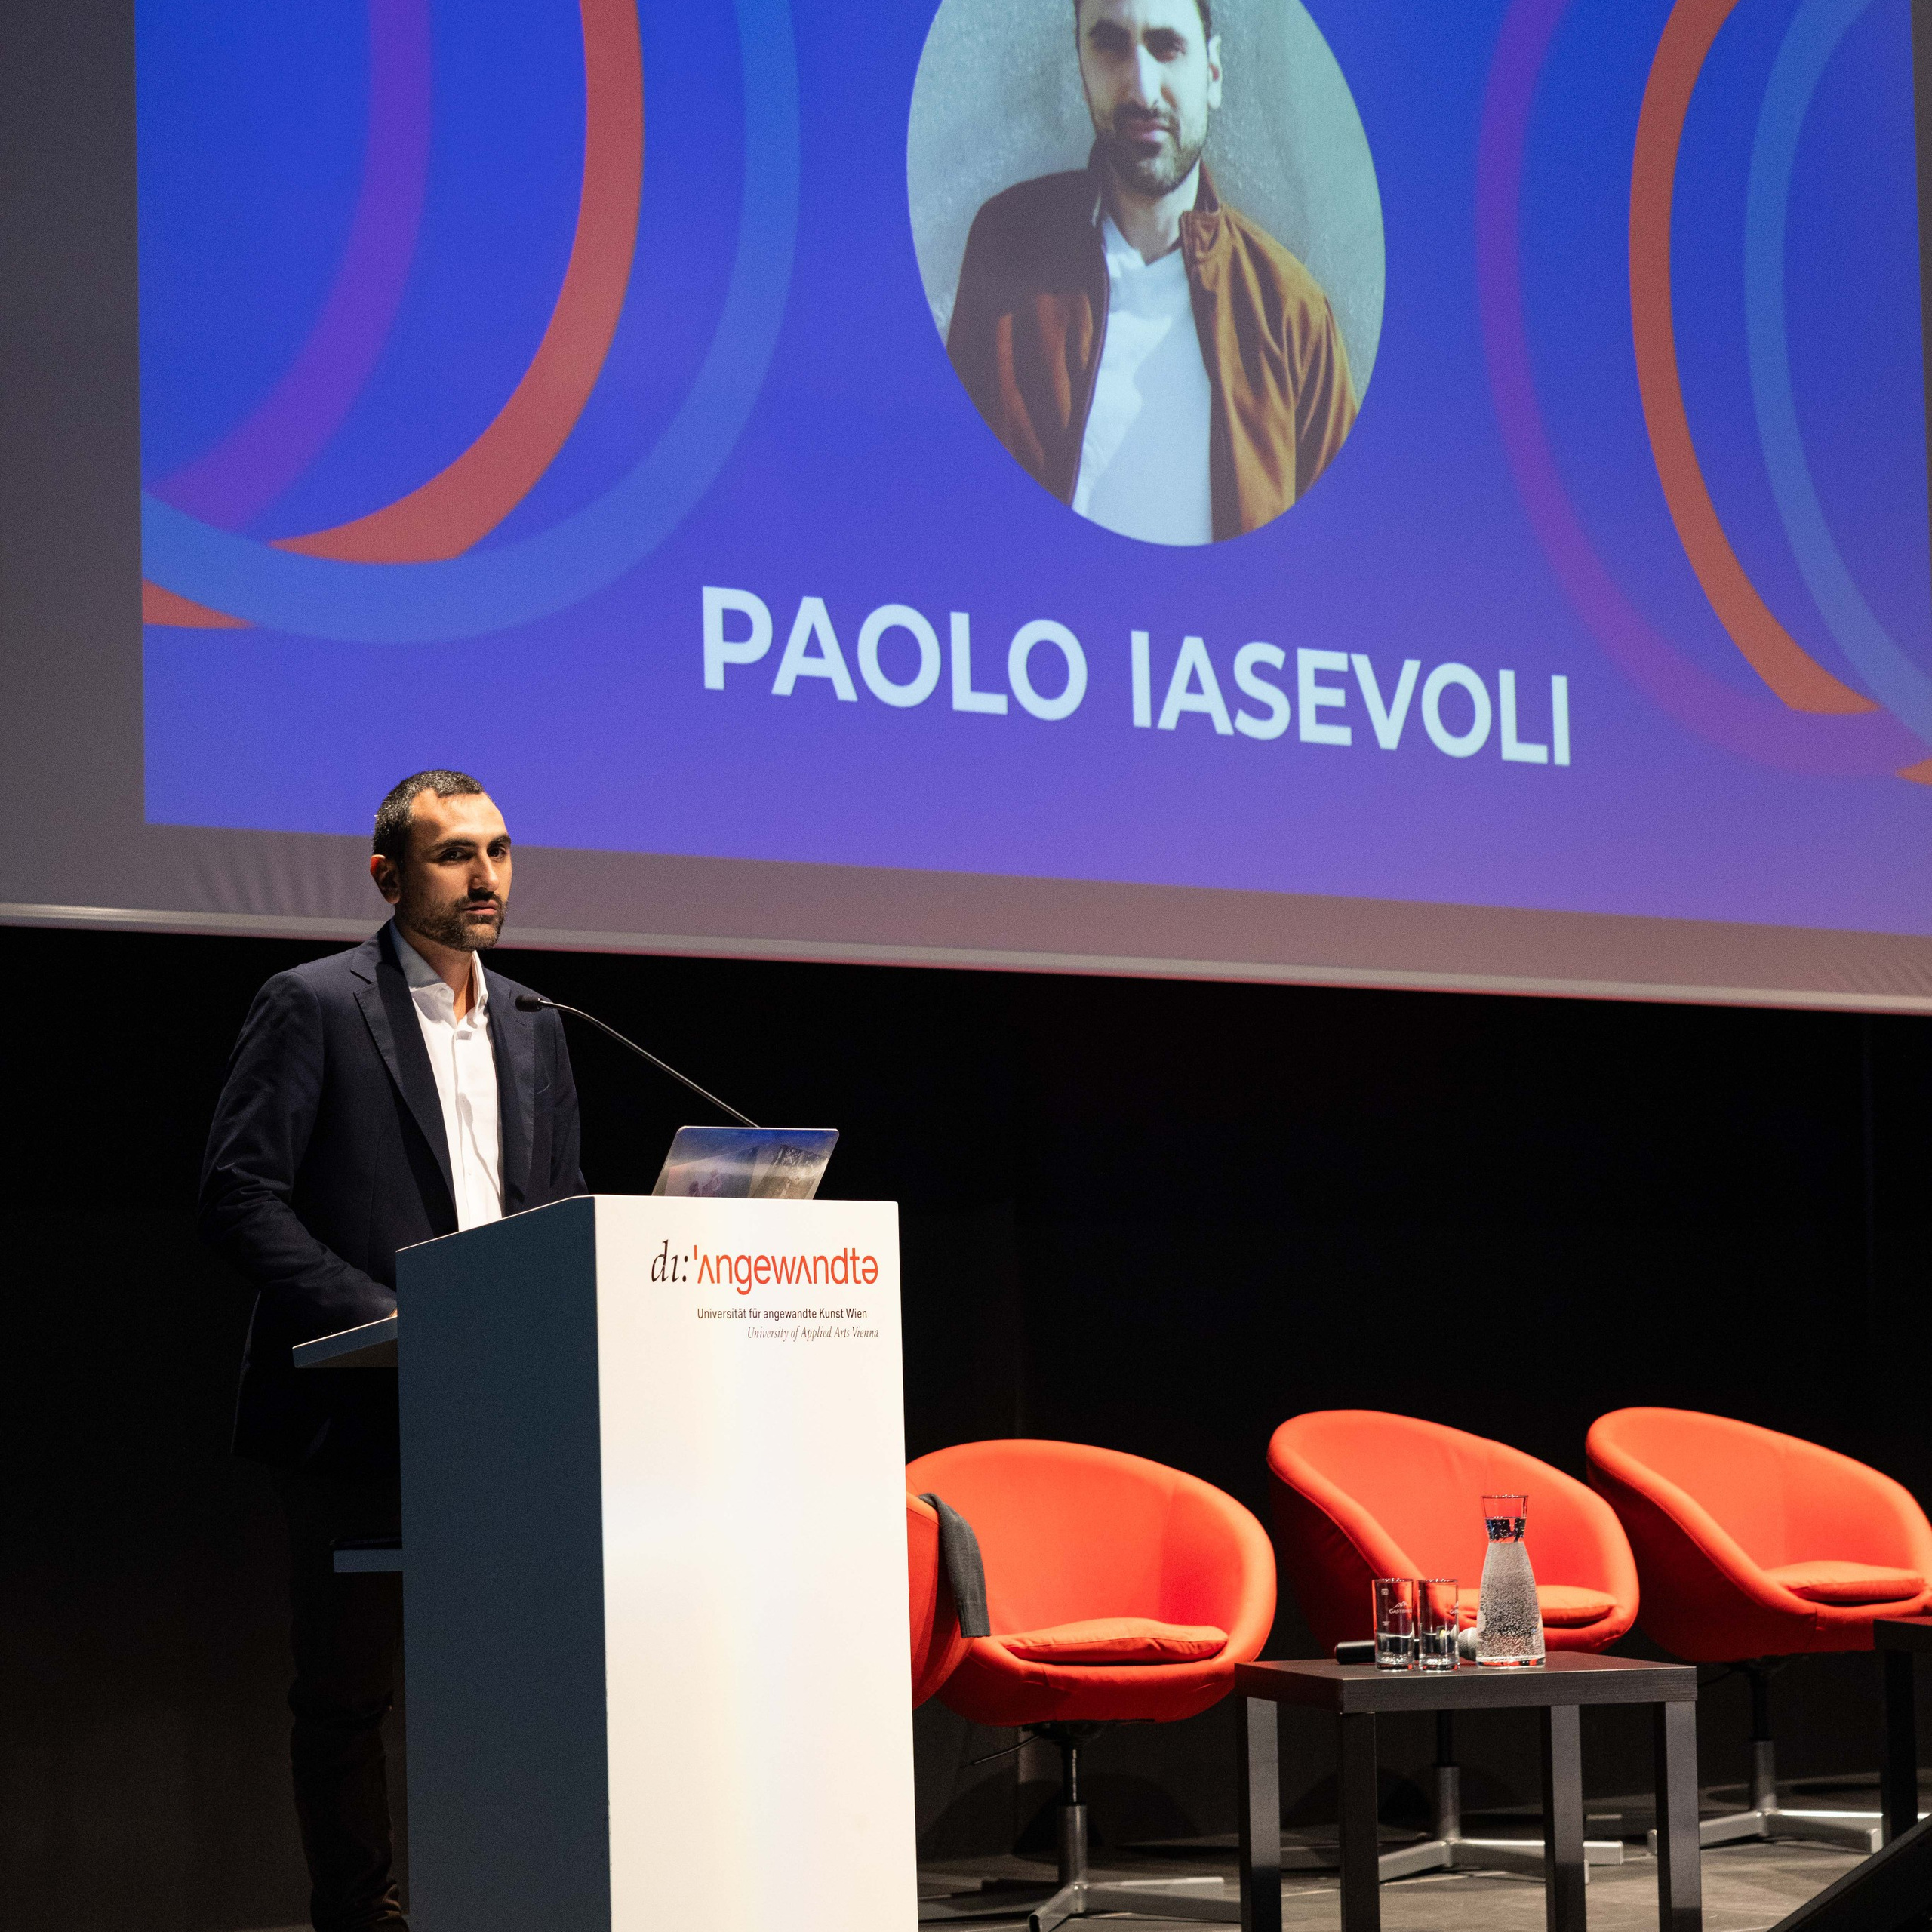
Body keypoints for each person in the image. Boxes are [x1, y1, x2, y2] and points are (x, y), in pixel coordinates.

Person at [199, 770, 585, 1931]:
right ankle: (361, 1912)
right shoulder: (313, 1003)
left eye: (500, 851)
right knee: (348, 1696)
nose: (486, 877)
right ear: (388, 875)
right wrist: (385, 1316)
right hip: (358, 1407)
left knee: (515, 1683)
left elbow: (556, 1204)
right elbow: (239, 1194)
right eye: (455, 854)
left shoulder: (536, 1024)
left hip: (503, 1407)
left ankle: (513, 1888)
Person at [946, 0, 1358, 544]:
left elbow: (1344, 570)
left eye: (1167, 46)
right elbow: (944, 507)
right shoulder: (1008, 250)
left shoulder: (1292, 316)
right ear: (1081, 65)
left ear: (1212, 74)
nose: (1142, 89)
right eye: (1110, 44)